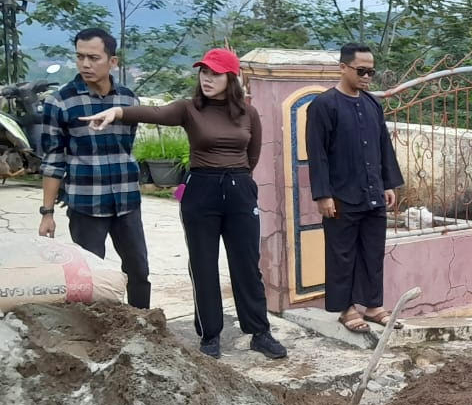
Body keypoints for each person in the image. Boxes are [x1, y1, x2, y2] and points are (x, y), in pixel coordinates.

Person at [82, 48, 287, 360]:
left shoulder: (248, 113)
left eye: (215, 73)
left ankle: (259, 332)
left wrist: (238, 179)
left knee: (246, 264)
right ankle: (210, 335)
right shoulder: (189, 109)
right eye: (203, 72)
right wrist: (118, 113)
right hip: (200, 192)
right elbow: (155, 114)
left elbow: (253, 153)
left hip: (240, 190)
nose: (207, 78)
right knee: (203, 265)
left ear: (230, 78)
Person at [37, 27, 150, 309]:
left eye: (94, 58)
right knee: (89, 276)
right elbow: (53, 159)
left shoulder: (128, 100)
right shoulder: (60, 102)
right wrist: (47, 213)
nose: (85, 64)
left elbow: (127, 148)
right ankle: (95, 332)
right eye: (80, 57)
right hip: (86, 204)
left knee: (138, 271)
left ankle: (145, 329)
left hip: (126, 201)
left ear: (113, 62)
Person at [305, 42, 405, 333]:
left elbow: (382, 145)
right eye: (361, 71)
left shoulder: (372, 103)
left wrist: (387, 183)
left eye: (371, 72)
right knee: (342, 253)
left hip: (373, 193)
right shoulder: (324, 106)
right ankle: (346, 308)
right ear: (343, 68)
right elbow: (317, 153)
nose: (367, 77)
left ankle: (373, 306)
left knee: (372, 251)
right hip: (340, 196)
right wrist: (322, 194)